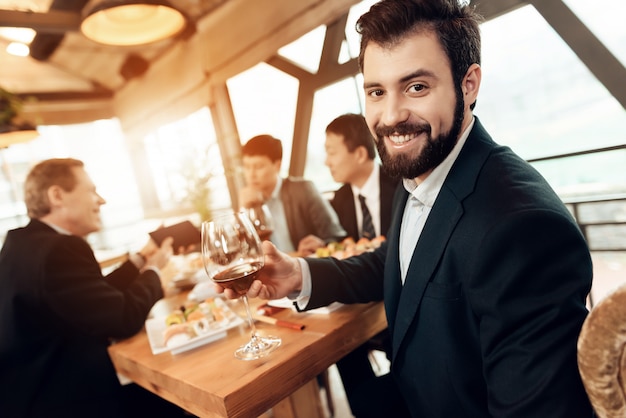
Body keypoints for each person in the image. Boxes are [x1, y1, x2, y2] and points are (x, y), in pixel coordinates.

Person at [220, 1, 594, 417]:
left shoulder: (524, 228)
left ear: (468, 84)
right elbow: (399, 262)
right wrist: (299, 275)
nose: (391, 117)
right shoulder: (421, 167)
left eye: (416, 87)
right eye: (377, 92)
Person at [0, 158, 188, 417]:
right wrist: (157, 273)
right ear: (57, 195)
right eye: (91, 190)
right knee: (176, 400)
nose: (101, 200)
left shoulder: (23, 243)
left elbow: (91, 296)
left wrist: (141, 258)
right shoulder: (60, 249)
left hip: (27, 397)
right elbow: (122, 317)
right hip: (68, 401)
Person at [324, 112, 399, 411]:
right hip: (359, 305)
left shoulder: (401, 183)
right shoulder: (339, 199)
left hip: (396, 302)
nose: (327, 162)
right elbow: (343, 246)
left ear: (358, 154)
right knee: (337, 346)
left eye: (331, 152)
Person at [239, 134, 346, 255]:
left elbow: (336, 236)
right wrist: (242, 211)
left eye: (258, 167)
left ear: (277, 166)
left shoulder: (303, 190)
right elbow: (246, 253)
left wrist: (321, 245)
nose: (251, 175)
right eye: (247, 167)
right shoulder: (250, 203)